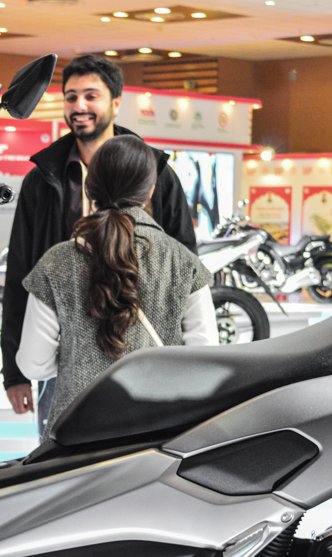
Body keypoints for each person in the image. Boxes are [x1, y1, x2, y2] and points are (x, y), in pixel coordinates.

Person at [0, 54, 196, 434]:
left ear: (116, 103)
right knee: (63, 472)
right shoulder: (44, 179)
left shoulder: (156, 172)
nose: (79, 107)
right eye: (70, 97)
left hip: (148, 363)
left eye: (91, 96)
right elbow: (21, 273)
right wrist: (14, 371)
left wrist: (189, 371)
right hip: (65, 362)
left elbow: (186, 264)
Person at [15, 135, 216, 430]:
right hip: (157, 436)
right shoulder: (183, 263)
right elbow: (204, 357)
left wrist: (79, 355)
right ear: (150, 190)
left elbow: (33, 364)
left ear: (89, 188)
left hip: (77, 436)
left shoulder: (57, 262)